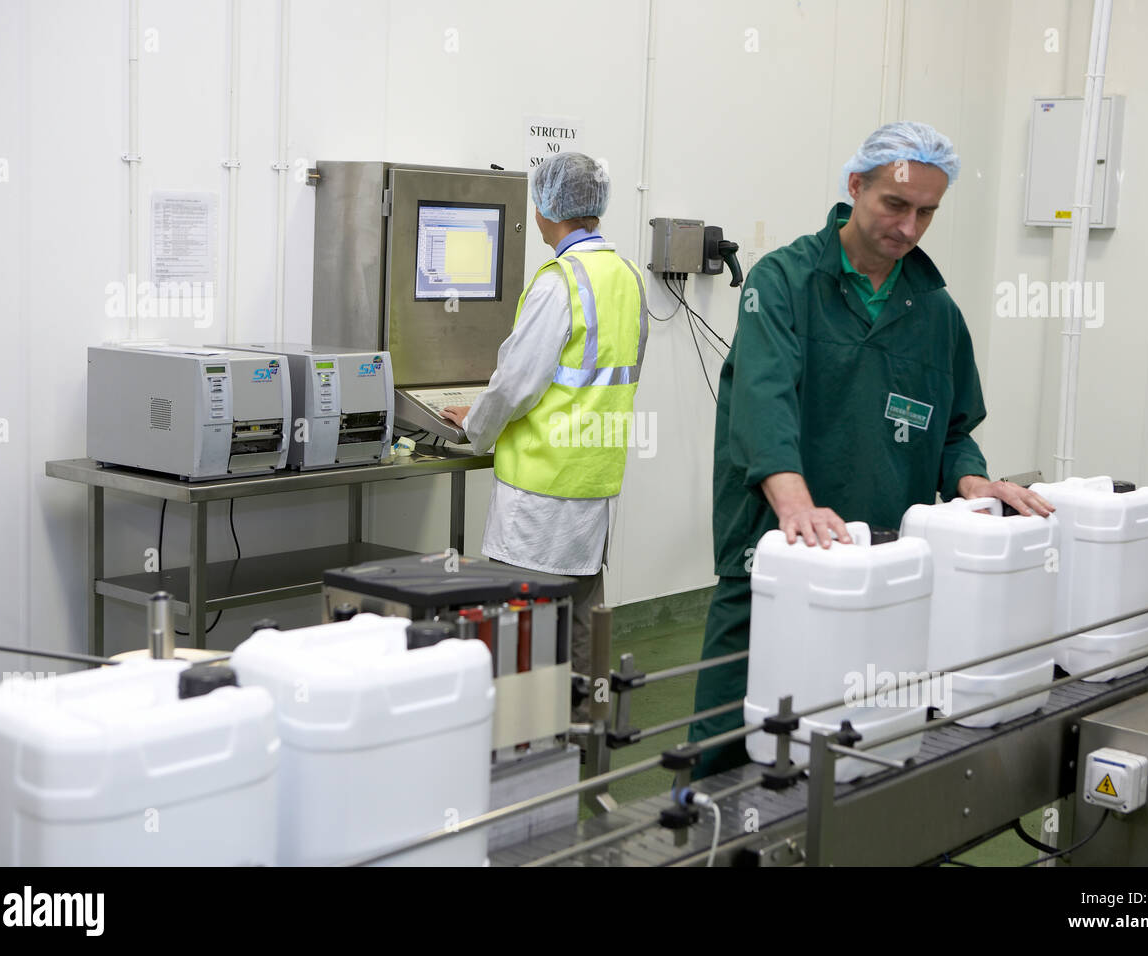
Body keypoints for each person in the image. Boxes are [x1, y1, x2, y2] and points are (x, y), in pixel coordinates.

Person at [686, 122, 1054, 778]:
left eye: (927, 213)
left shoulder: (935, 312)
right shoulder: (784, 283)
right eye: (896, 205)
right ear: (855, 186)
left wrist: (972, 482)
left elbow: (952, 431)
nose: (910, 228)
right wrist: (795, 503)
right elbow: (761, 404)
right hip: (775, 557)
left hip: (885, 569)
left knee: (867, 747)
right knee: (733, 745)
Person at [440, 151, 648, 717]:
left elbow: (515, 386)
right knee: (583, 627)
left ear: (544, 209)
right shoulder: (627, 278)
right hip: (593, 490)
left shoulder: (560, 283)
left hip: (540, 494)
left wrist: (472, 429)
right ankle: (585, 740)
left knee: (523, 629)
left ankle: (525, 744)